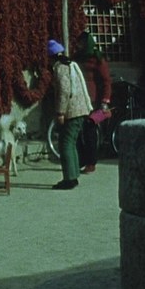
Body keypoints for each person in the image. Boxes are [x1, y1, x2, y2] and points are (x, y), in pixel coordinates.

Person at [49, 39, 93, 190]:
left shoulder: (60, 68)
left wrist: (60, 112)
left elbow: (64, 91)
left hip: (72, 111)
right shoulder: (71, 65)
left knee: (65, 143)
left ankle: (69, 179)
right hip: (81, 109)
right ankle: (73, 176)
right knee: (71, 142)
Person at [73, 30, 113, 174]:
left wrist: (105, 101)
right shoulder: (77, 57)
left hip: (93, 100)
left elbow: (106, 81)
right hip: (78, 98)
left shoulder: (97, 58)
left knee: (90, 131)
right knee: (77, 130)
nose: (80, 45)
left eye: (82, 42)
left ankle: (91, 162)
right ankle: (80, 160)